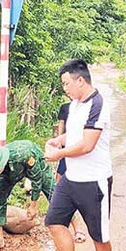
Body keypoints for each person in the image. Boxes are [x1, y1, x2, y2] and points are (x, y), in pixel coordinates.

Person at [43, 59, 113, 251]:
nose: (65, 88)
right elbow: (74, 135)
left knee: (98, 234)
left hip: (94, 181)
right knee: (53, 220)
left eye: (67, 83)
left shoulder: (98, 105)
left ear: (80, 80)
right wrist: (59, 141)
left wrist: (58, 154)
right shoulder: (74, 105)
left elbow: (87, 144)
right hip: (71, 179)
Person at [0, 140, 57, 251]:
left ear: (0, 165)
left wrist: (33, 204)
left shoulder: (23, 155)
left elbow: (37, 179)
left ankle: (76, 228)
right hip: (8, 172)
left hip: (33, 164)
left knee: (53, 192)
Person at [54, 102, 88, 243]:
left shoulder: (88, 108)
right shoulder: (66, 107)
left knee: (74, 185)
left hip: (78, 148)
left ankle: (77, 225)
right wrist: (59, 142)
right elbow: (61, 125)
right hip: (67, 148)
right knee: (59, 182)